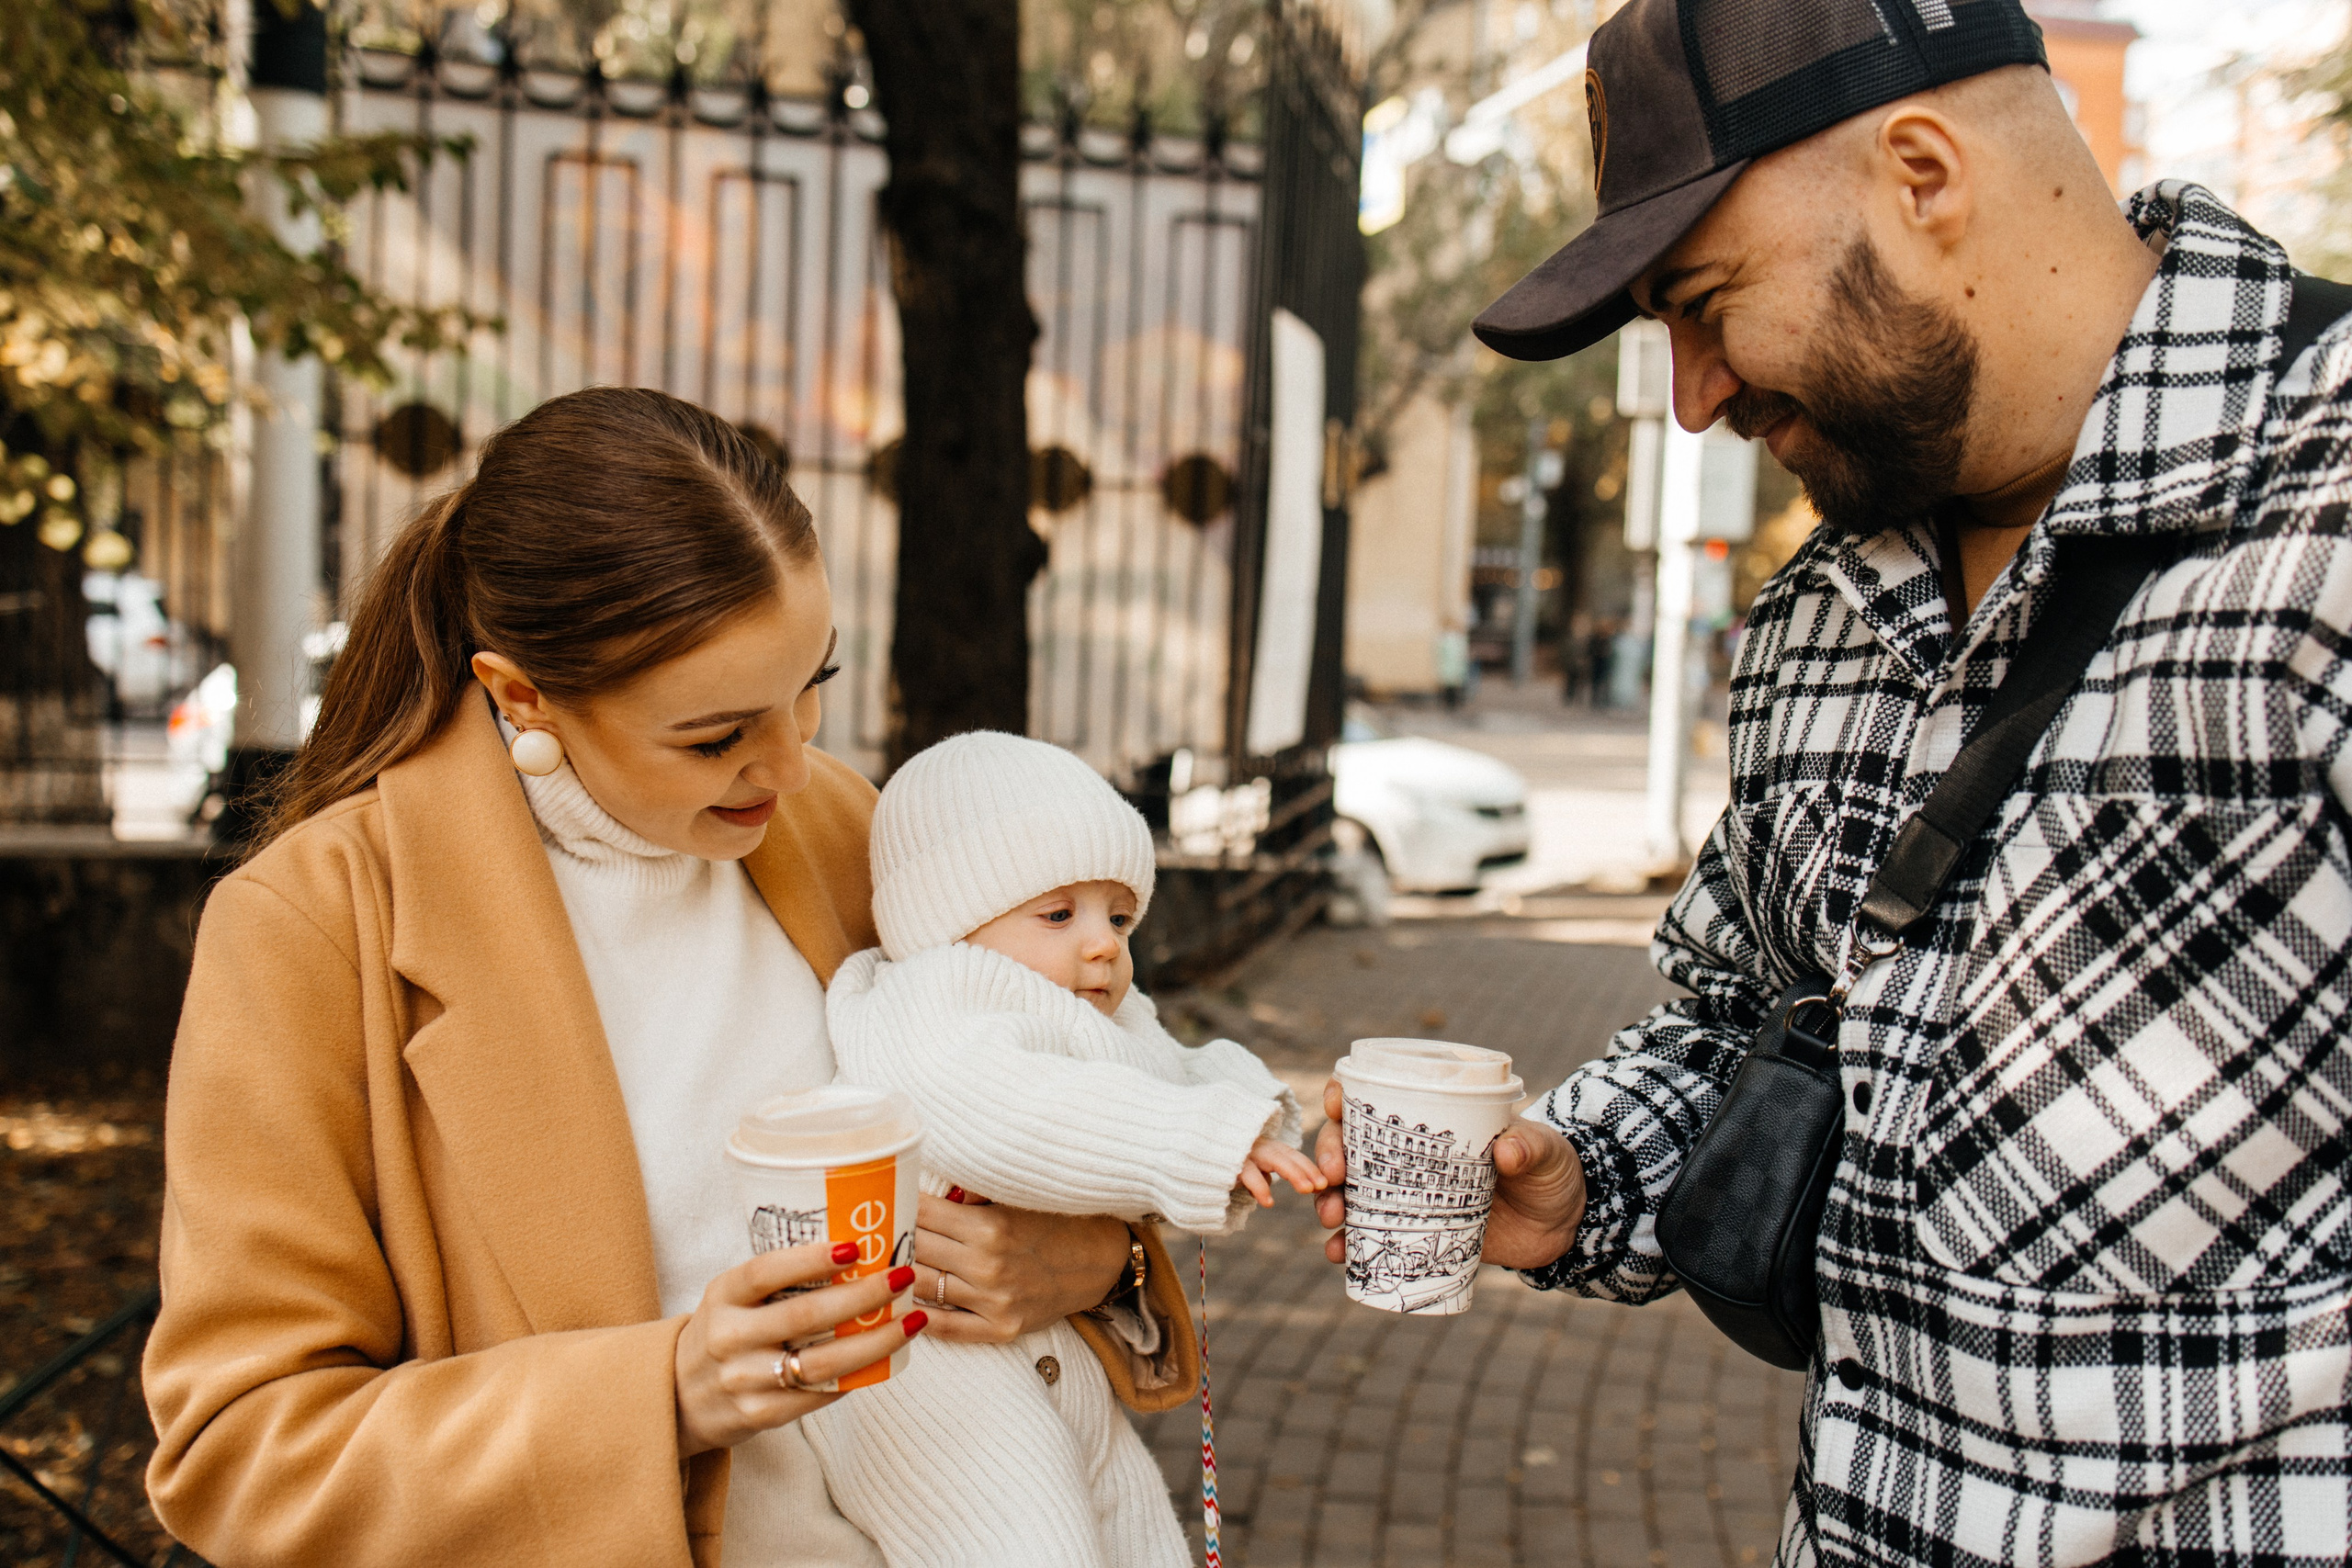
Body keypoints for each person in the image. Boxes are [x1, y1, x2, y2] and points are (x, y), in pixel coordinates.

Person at [1314, 1, 2352, 1562]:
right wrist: (1587, 1176)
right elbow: (1754, 1014)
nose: (1691, 396)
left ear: (1922, 174)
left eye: (1705, 303)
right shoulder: (1819, 609)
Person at [143, 388, 1182, 1567]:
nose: (788, 767)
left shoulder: (850, 835)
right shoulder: (314, 923)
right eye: (716, 736)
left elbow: (1072, 1096)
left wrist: (1094, 1263)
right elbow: (242, 1453)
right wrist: (668, 1392)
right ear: (521, 694)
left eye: (812, 686)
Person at [810, 729, 1317, 1567]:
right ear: (948, 921)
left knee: (1134, 1521)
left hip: (1050, 1340)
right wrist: (1194, 1139)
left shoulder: (1097, 1009)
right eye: (1059, 914)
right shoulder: (929, 997)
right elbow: (1007, 1108)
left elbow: (1168, 1070)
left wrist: (1248, 1119)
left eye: (1118, 915)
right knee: (1022, 1534)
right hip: (926, 1362)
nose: (1104, 943)